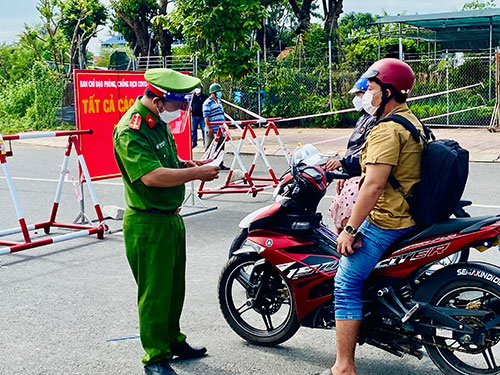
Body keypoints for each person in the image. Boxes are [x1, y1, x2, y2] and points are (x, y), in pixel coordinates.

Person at [113, 68, 220, 375]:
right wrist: (197, 174)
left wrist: (188, 164)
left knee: (174, 289)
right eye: (179, 106)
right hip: (148, 222)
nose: (182, 112)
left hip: (170, 219)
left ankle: (173, 340)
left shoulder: (156, 123)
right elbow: (151, 176)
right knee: (154, 293)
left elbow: (167, 164)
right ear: (159, 101)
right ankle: (155, 356)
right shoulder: (132, 130)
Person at [322, 58, 424, 375]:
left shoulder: (387, 129)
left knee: (346, 283)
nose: (366, 93)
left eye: (371, 87)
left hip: (389, 220)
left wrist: (351, 228)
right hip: (411, 215)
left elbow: (374, 184)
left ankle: (343, 366)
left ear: (388, 91)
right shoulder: (411, 121)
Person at [326, 78, 378, 234]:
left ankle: (347, 241)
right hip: (352, 174)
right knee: (338, 207)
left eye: (360, 94)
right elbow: (354, 148)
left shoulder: (377, 120)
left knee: (347, 216)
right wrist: (344, 171)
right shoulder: (364, 118)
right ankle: (338, 245)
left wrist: (343, 163)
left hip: (362, 176)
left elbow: (366, 154)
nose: (357, 99)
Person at [203, 82, 229, 170]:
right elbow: (206, 117)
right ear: (213, 93)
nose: (219, 93)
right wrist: (209, 128)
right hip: (212, 129)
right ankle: (207, 164)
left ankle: (220, 163)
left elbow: (221, 115)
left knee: (221, 147)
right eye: (218, 91)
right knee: (210, 147)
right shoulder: (207, 103)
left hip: (220, 129)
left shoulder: (219, 102)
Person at [191, 84, 208, 148]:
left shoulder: (204, 97)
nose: (198, 89)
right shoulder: (192, 97)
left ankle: (205, 142)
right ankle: (194, 142)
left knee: (204, 130)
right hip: (193, 116)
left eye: (199, 87)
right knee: (193, 130)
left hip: (202, 116)